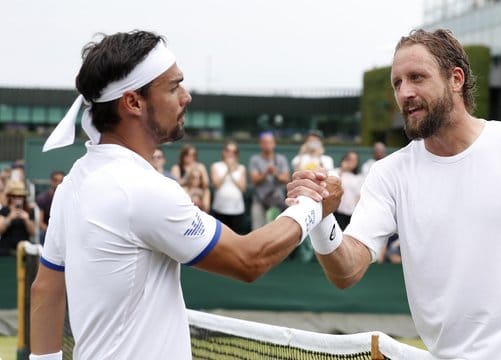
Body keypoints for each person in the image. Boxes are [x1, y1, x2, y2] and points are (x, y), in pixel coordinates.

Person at [286, 29, 501, 359]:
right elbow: (347, 272)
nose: (405, 92)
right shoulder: (388, 175)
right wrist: (322, 220)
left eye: (417, 78)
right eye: (397, 83)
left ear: (456, 79)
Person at [29, 30, 340, 360]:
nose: (186, 96)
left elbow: (45, 289)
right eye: (174, 87)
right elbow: (250, 259)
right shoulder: (142, 189)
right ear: (133, 102)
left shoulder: (74, 182)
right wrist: (312, 205)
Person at [249, 131, 290, 230]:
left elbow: (286, 179)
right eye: (265, 142)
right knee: (257, 231)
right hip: (259, 201)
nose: (267, 145)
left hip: (276, 202)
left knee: (274, 232)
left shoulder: (281, 159)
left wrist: (275, 173)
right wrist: (266, 172)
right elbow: (254, 180)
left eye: (270, 142)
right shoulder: (255, 159)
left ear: (274, 144)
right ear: (261, 144)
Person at [211, 141, 247, 233]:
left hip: (237, 210)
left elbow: (243, 188)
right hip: (220, 209)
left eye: (234, 151)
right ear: (224, 152)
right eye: (228, 150)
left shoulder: (241, 168)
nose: (230, 154)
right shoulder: (216, 166)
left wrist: (231, 171)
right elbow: (217, 185)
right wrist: (227, 169)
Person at [0, 180, 36, 255]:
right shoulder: (5, 210)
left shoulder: (29, 211)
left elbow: (33, 232)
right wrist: (9, 218)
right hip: (6, 249)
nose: (17, 199)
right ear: (10, 197)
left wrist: (26, 219)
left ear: (24, 198)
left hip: (24, 248)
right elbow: (1, 230)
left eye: (20, 196)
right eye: (14, 196)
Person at [334, 151, 363, 230]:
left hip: (352, 215)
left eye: (354, 160)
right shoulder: (336, 172)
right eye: (349, 159)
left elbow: (359, 197)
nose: (352, 162)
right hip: (338, 213)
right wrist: (343, 169)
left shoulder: (358, 178)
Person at [35, 171, 65, 244]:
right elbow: (41, 223)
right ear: (51, 181)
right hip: (47, 231)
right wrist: (51, 231)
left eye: (61, 181)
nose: (58, 183)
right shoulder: (43, 199)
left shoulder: (69, 199)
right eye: (55, 180)